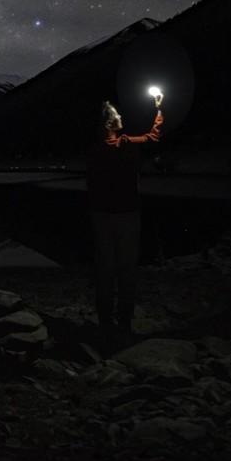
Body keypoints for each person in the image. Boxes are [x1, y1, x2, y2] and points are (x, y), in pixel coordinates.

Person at [86, 92, 164, 350]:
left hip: (103, 216)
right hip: (125, 215)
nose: (121, 118)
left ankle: (108, 325)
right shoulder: (125, 144)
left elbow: (92, 183)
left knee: (108, 271)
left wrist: (158, 111)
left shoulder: (99, 149)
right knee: (123, 270)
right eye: (117, 116)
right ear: (110, 123)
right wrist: (158, 112)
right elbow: (153, 138)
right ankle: (120, 326)